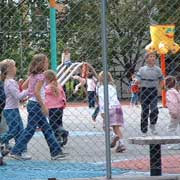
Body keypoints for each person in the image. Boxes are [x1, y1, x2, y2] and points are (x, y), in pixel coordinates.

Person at [10, 53, 66, 160]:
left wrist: (31, 86)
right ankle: (16, 151)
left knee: (46, 129)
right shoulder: (41, 76)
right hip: (37, 105)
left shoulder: (33, 75)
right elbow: (36, 92)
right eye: (46, 62)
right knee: (32, 130)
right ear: (41, 64)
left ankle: (56, 152)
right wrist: (43, 105)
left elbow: (24, 86)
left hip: (32, 104)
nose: (47, 63)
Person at [0, 59, 28, 154]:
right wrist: (29, 90)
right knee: (14, 130)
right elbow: (18, 96)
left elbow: (16, 96)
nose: (16, 68)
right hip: (10, 110)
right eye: (14, 66)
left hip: (13, 109)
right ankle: (3, 141)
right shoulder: (10, 82)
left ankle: (20, 150)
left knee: (20, 130)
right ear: (9, 69)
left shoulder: (9, 81)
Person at [136, 52, 164, 135]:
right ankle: (144, 129)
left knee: (154, 109)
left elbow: (161, 79)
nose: (153, 58)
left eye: (154, 57)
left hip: (153, 91)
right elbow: (138, 78)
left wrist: (162, 87)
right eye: (151, 56)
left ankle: (152, 124)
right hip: (144, 91)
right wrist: (137, 81)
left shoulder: (157, 69)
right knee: (145, 110)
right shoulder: (142, 69)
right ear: (146, 59)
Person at [97, 71, 126, 153]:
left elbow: (102, 100)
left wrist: (102, 111)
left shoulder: (101, 88)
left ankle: (113, 136)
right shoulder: (113, 86)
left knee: (105, 126)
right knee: (116, 127)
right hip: (117, 107)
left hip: (108, 108)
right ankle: (121, 143)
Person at [44, 69, 69, 147]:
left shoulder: (47, 88)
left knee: (53, 125)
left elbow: (44, 97)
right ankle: (60, 136)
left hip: (51, 109)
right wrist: (63, 104)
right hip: (59, 108)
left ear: (47, 79)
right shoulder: (58, 85)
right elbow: (63, 96)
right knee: (59, 123)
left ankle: (61, 136)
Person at [165, 76, 180, 149]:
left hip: (176, 112)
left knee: (171, 128)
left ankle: (174, 144)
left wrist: (173, 113)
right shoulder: (176, 91)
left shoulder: (170, 92)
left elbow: (172, 103)